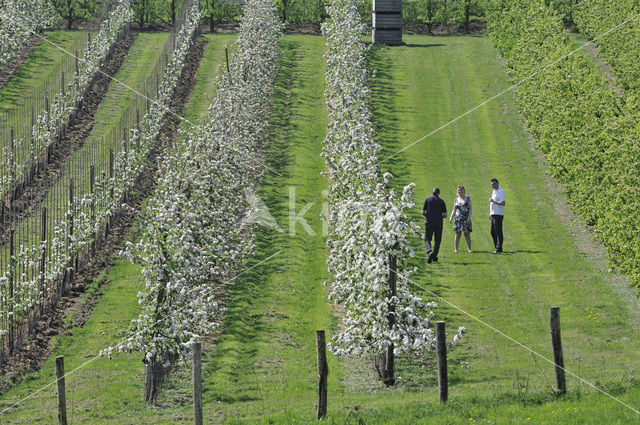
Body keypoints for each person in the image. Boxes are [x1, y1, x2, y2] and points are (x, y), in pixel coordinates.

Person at [422, 187, 447, 263]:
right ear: (439, 193)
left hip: (429, 222)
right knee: (437, 240)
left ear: (432, 192)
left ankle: (429, 252)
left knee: (427, 239)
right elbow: (445, 215)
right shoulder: (441, 201)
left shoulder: (427, 199)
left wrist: (428, 215)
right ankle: (434, 255)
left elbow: (423, 212)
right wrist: (439, 216)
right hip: (439, 222)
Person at [449, 185, 472, 253]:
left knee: (467, 234)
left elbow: (470, 209)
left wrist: (469, 218)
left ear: (464, 191)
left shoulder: (468, 199)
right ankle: (456, 249)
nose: (460, 191)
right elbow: (454, 210)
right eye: (459, 190)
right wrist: (451, 217)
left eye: (461, 190)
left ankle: (469, 249)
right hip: (458, 219)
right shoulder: (456, 200)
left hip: (466, 219)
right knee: (457, 234)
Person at [489, 178, 506, 253]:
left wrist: (494, 201)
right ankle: (497, 247)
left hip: (498, 214)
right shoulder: (494, 191)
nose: (493, 185)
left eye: (494, 184)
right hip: (494, 214)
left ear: (498, 183)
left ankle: (499, 248)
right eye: (492, 184)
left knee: (498, 231)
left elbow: (503, 203)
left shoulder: (500, 191)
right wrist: (490, 213)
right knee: (492, 232)